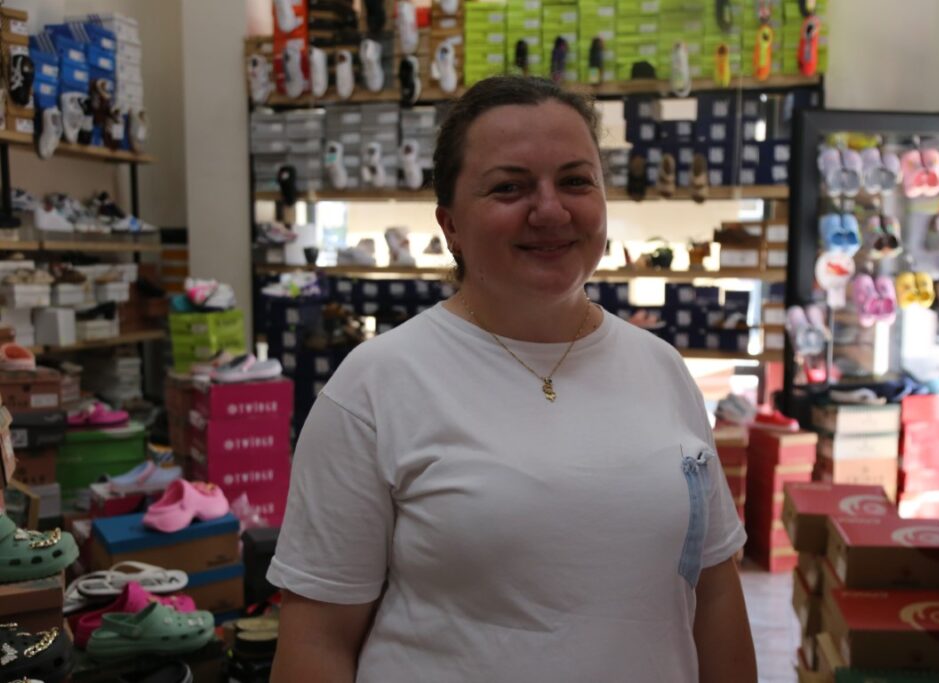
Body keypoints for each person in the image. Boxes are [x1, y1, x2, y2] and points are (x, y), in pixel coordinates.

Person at [268, 76, 757, 682]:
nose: (550, 210)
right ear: (450, 224)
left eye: (575, 181)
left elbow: (713, 588)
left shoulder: (662, 369)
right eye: (509, 187)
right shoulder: (375, 387)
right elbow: (317, 640)